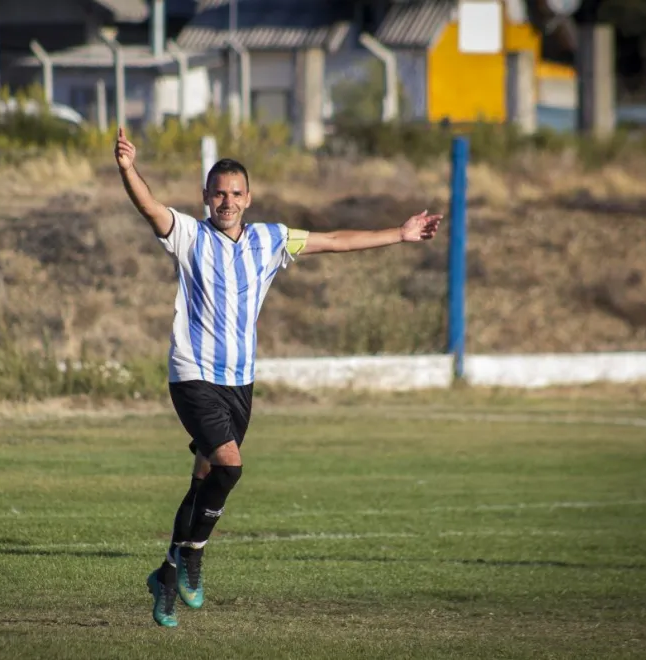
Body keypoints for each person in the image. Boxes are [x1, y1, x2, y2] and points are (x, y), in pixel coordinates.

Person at [114, 128, 442, 627]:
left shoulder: (271, 239)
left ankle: (165, 574)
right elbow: (150, 207)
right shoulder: (188, 234)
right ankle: (194, 556)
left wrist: (398, 234)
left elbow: (334, 241)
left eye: (235, 193)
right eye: (218, 192)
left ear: (249, 198)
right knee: (229, 467)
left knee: (205, 479)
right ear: (205, 197)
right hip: (192, 374)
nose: (227, 201)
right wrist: (127, 170)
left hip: (239, 382)